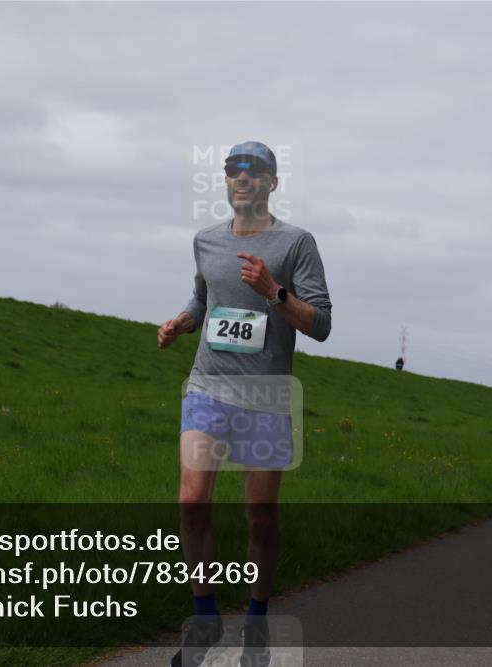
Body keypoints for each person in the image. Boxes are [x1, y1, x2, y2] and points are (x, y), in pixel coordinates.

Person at [158, 140, 332, 667]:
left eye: (253, 171)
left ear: (272, 183)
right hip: (207, 386)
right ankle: (205, 619)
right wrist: (182, 323)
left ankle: (256, 624)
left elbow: (320, 325)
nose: (242, 178)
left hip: (266, 395)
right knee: (191, 500)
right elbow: (203, 299)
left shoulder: (297, 242)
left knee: (259, 516)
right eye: (233, 169)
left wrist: (275, 291)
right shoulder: (205, 242)